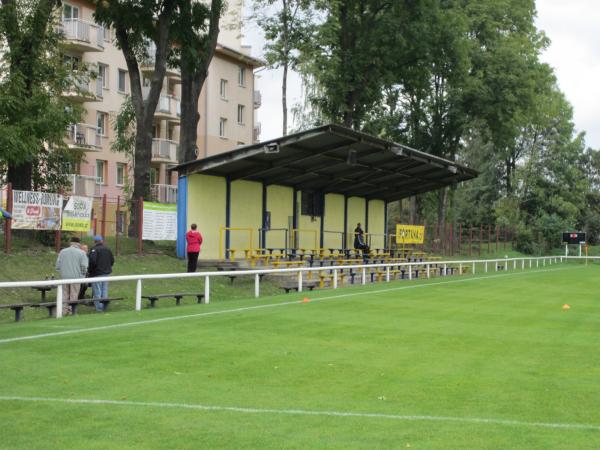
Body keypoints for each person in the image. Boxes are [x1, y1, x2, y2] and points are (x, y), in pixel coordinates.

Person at [55, 236, 88, 316]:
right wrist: (82, 276)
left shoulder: (62, 251)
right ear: (78, 243)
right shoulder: (82, 253)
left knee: (65, 294)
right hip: (76, 278)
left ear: (71, 243)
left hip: (64, 277)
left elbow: (58, 266)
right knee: (74, 295)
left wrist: (63, 273)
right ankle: (71, 310)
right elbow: (84, 267)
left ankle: (63, 310)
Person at [88, 235, 114, 312]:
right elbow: (112, 261)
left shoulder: (94, 250)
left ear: (94, 242)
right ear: (102, 241)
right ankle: (104, 307)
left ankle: (99, 308)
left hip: (97, 274)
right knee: (104, 291)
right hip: (106, 273)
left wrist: (90, 271)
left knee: (97, 291)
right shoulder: (108, 249)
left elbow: (92, 261)